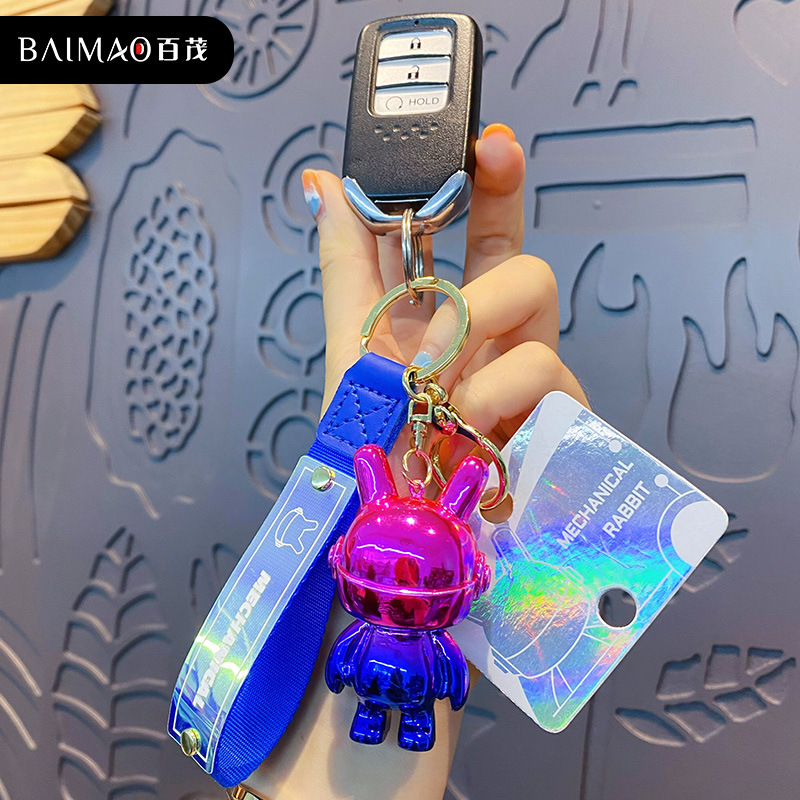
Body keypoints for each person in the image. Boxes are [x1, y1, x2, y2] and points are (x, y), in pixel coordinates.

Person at [242, 123, 587, 800]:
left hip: (400, 654)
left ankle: (397, 729)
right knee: (391, 714)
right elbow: (427, 668)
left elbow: (437, 667)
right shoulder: (413, 605)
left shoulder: (428, 604)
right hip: (396, 661)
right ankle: (390, 727)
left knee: (400, 716)